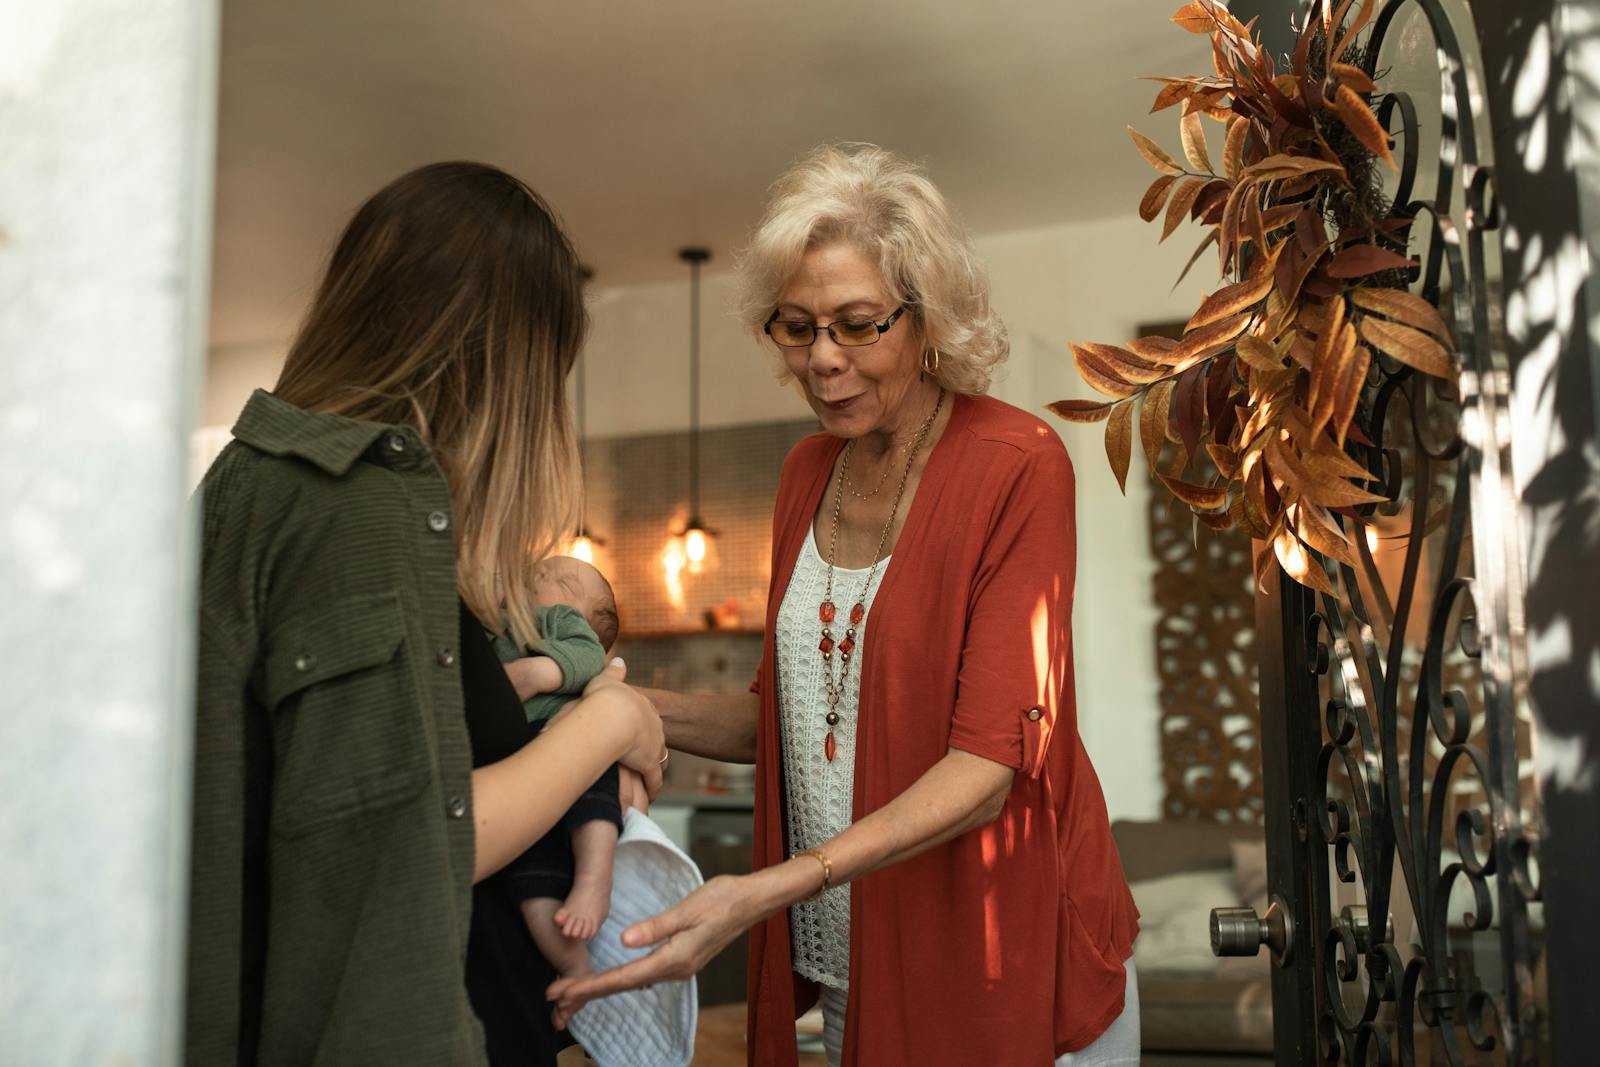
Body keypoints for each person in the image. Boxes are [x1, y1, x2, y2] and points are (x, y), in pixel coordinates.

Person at [548, 143, 1142, 1066]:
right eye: (797, 327)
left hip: (996, 945)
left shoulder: (1016, 463)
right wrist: (615, 710)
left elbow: (986, 767)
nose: (824, 359)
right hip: (846, 945)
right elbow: (784, 717)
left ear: (926, 317)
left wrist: (770, 887)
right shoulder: (804, 474)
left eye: (858, 325)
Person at [187, 161, 664, 1067]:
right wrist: (611, 719)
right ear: (506, 366)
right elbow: (415, 841)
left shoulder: (249, 488)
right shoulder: (361, 507)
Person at [490, 555, 625, 981]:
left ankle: (594, 879)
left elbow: (589, 658)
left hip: (565, 739)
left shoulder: (558, 620)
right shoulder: (501, 622)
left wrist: (541, 672)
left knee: (595, 802)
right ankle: (573, 966)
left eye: (555, 580)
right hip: (518, 759)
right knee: (531, 875)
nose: (538, 577)